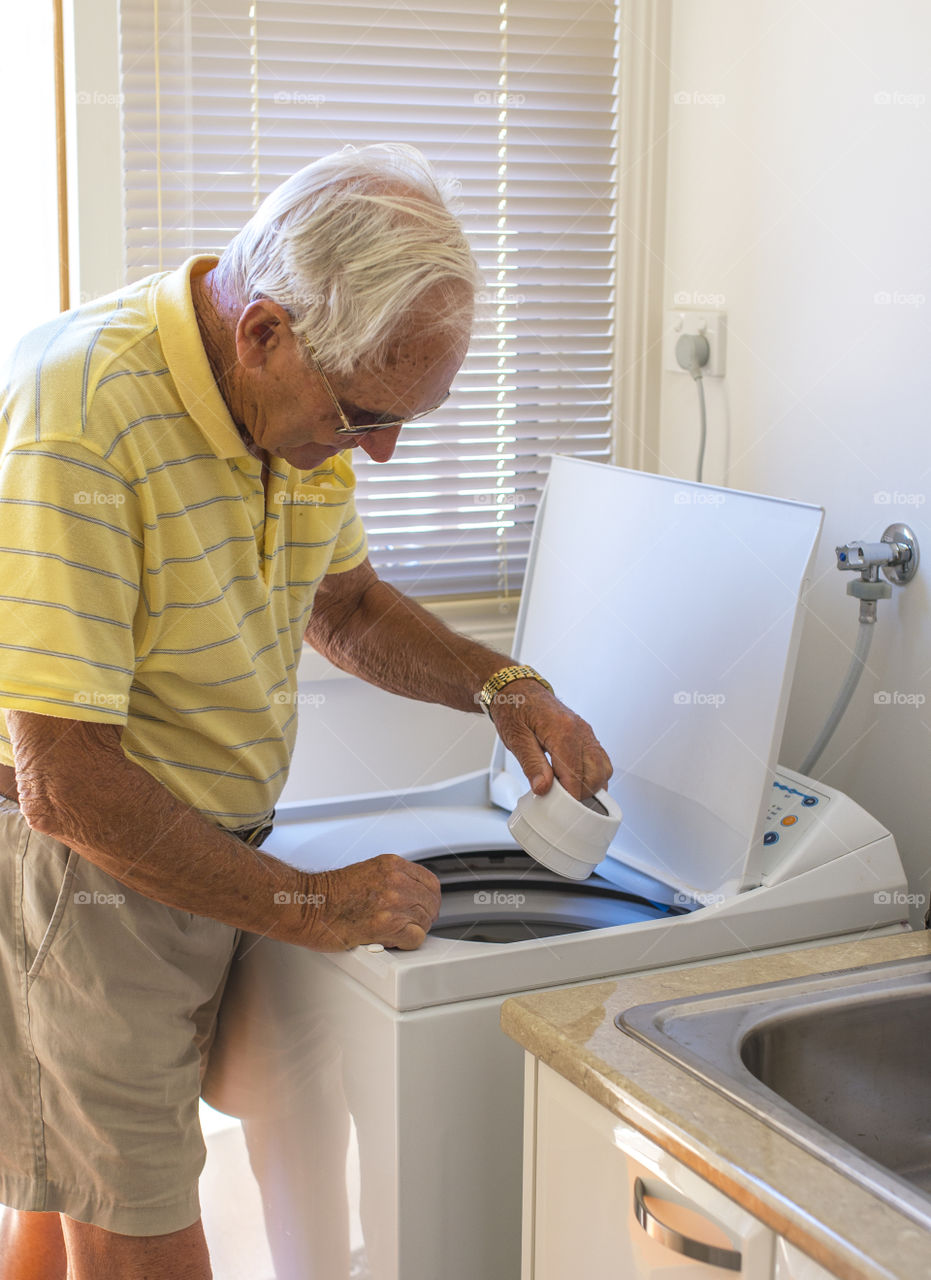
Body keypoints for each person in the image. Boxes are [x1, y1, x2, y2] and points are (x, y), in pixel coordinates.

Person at [0, 143, 611, 1280]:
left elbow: (349, 606)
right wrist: (311, 902)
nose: (375, 450)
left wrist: (502, 684)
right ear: (266, 330)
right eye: (364, 414)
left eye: (404, 423)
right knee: (131, 1228)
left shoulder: (297, 406)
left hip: (215, 849)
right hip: (92, 877)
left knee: (62, 1186)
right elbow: (65, 778)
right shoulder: (80, 409)